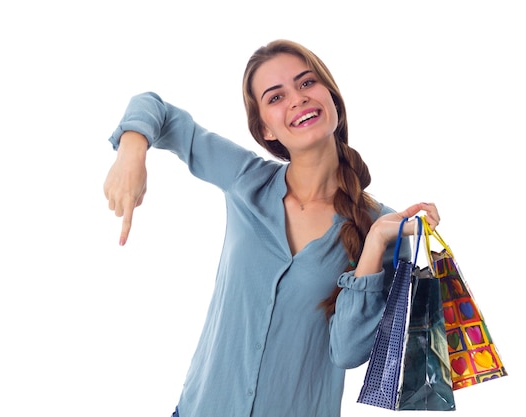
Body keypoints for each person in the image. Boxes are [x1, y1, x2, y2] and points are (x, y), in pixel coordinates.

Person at [104, 39, 440, 417]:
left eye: (307, 83)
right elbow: (157, 109)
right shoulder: (246, 180)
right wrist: (131, 152)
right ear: (264, 128)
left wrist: (375, 244)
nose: (297, 99)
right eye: (276, 97)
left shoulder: (385, 228)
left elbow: (347, 352)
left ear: (332, 98)